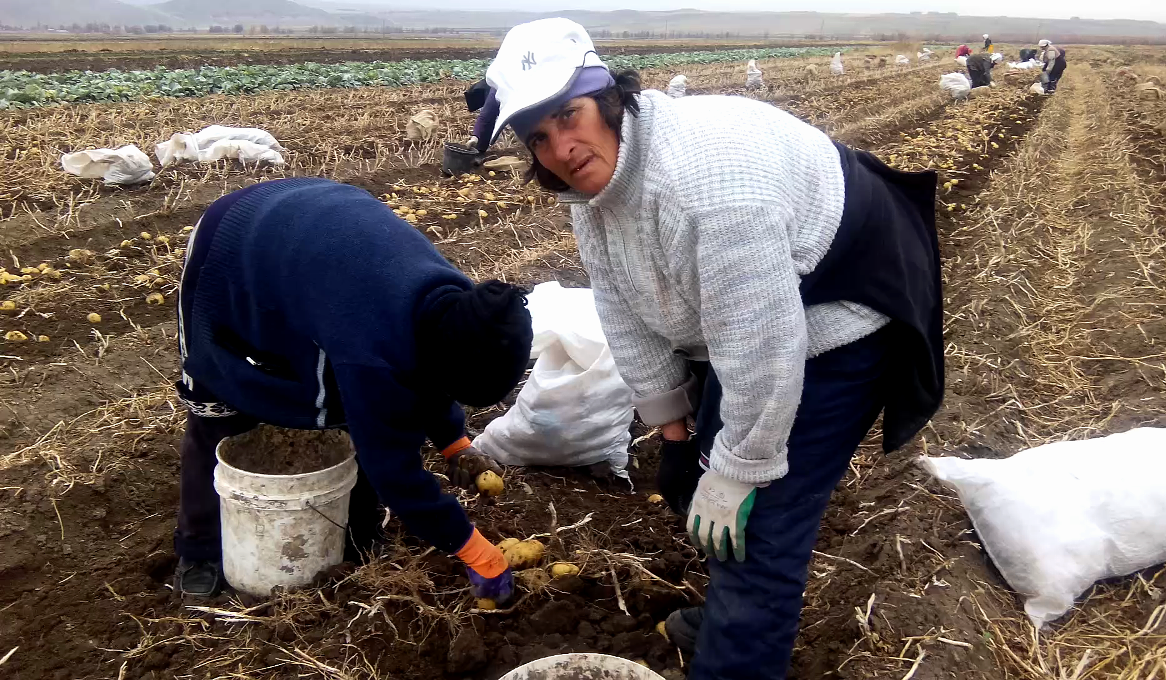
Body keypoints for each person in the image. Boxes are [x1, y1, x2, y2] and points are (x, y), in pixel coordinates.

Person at [483, 18, 944, 680]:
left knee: (760, 523)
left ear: (607, 97)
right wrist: (673, 432)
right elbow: (622, 304)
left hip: (836, 311)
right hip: (751, 317)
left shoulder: (705, 186)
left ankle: (739, 644)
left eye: (569, 116)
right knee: (710, 476)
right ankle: (734, 613)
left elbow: (763, 346)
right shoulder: (596, 191)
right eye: (540, 138)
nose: (562, 147)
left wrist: (741, 467)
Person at [171, 177, 532, 601]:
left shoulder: (455, 302)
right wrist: (475, 551)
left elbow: (432, 374)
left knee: (347, 401)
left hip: (314, 247)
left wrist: (454, 443)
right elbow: (393, 468)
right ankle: (199, 549)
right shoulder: (372, 347)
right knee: (217, 406)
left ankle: (356, 530)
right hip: (234, 244)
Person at [465, 78, 501, 155]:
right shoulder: (497, 90)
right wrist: (474, 138)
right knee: (490, 115)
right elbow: (485, 116)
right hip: (496, 90)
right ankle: (480, 150)